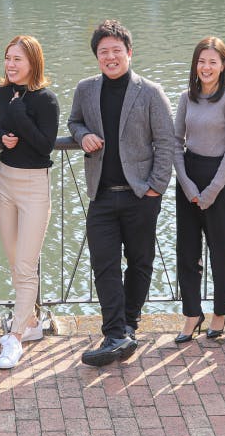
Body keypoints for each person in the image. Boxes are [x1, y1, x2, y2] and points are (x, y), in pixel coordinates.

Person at [68, 19, 176, 367]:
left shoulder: (150, 92)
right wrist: (82, 134)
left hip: (140, 194)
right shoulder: (86, 89)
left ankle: (127, 326)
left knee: (140, 262)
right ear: (96, 56)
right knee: (104, 264)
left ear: (129, 52)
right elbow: (74, 121)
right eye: (104, 52)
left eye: (117, 50)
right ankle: (115, 333)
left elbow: (167, 142)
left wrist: (155, 187)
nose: (110, 57)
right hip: (101, 194)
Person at [0, 36, 60, 370]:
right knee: (13, 259)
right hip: (4, 181)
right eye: (8, 58)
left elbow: (44, 145)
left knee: (25, 264)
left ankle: (15, 337)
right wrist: (2, 137)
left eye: (18, 59)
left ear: (33, 62)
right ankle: (30, 322)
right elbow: (1, 129)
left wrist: (19, 114)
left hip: (34, 185)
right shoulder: (1, 93)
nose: (11, 64)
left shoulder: (46, 100)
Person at [172, 37, 225, 343]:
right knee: (187, 252)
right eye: (202, 61)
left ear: (223, 65)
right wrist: (187, 184)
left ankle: (220, 312)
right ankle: (192, 314)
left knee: (220, 253)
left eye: (213, 62)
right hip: (188, 178)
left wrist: (212, 190)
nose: (206, 67)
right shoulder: (186, 97)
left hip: (219, 181)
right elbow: (175, 142)